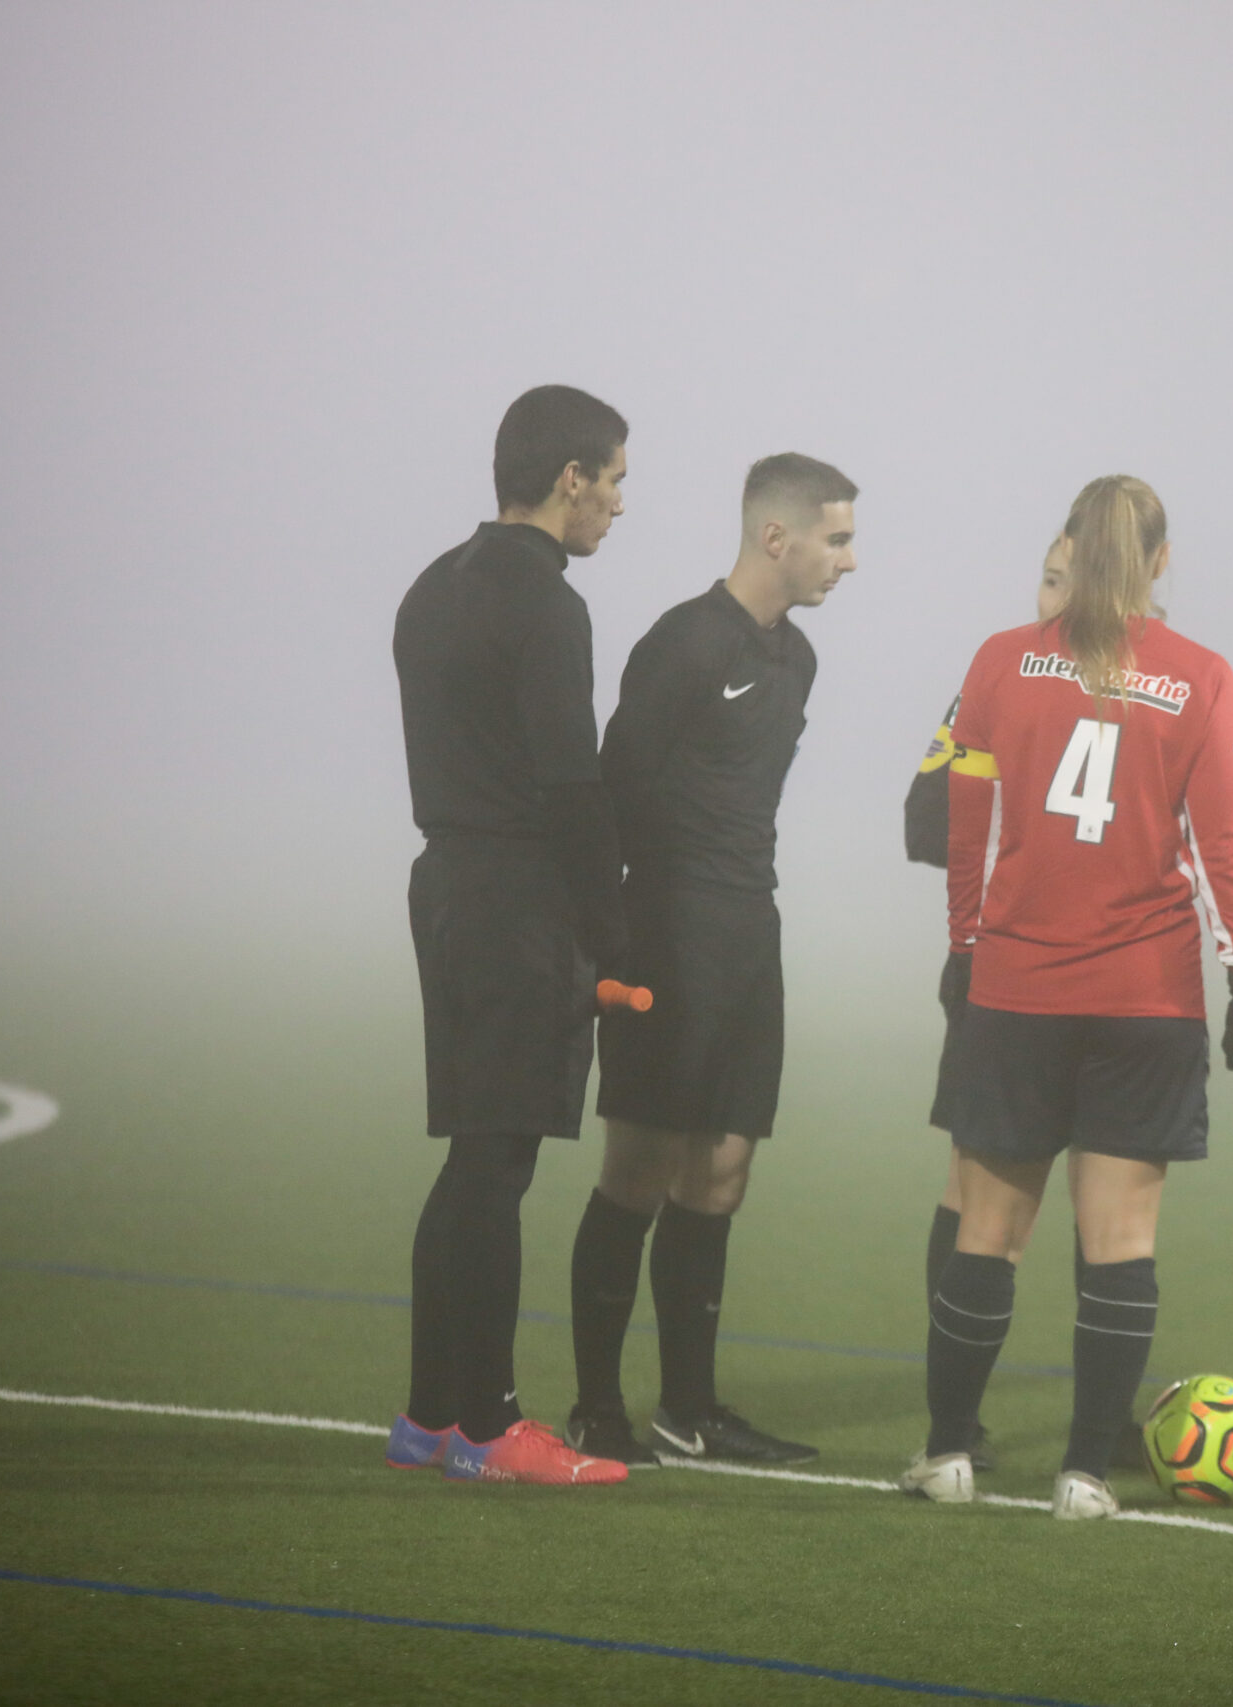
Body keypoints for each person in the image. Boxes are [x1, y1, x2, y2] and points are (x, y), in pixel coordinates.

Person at [900, 474, 1233, 1519]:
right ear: (1159, 561)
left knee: (986, 1233)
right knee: (1120, 1242)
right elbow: (1224, 844)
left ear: (1070, 546)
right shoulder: (1201, 677)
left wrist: (963, 945)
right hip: (1146, 999)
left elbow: (965, 827)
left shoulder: (998, 662)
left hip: (1018, 987)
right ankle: (1085, 1475)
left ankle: (946, 1457)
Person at [562, 453, 857, 1468]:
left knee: (723, 1170)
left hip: (746, 934)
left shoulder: (799, 659)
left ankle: (689, 1410)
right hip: (664, 933)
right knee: (638, 1167)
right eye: (837, 538)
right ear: (775, 537)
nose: (848, 561)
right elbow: (614, 792)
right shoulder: (683, 643)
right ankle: (596, 1406)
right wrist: (611, 936)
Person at [386, 384, 633, 1486]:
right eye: (615, 479)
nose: (620, 505)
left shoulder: (433, 585)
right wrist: (614, 934)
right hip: (516, 902)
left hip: (444, 885)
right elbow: (570, 790)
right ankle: (489, 1429)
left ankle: (429, 1421)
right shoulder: (546, 602)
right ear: (567, 478)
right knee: (496, 1167)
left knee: (472, 1162)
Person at [899, 535, 1071, 1472]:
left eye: (1066, 582)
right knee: (977, 1196)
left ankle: (1097, 1422)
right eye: (1044, 578)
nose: (1049, 602)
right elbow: (926, 817)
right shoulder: (999, 673)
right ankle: (952, 1426)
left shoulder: (1166, 682)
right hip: (1002, 974)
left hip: (1122, 987)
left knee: (1114, 1203)